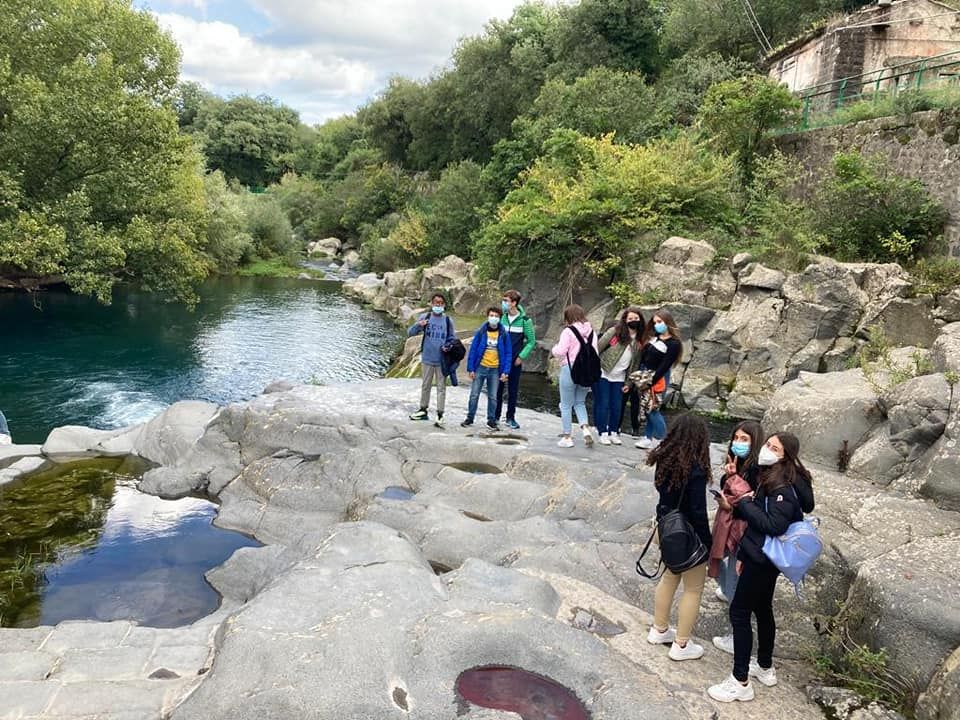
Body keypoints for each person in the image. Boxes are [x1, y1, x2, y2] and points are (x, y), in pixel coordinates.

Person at [707, 432, 815, 703]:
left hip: (762, 559)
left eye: (773, 448)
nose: (766, 449)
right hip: (764, 557)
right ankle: (765, 667)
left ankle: (740, 681)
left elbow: (773, 525)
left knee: (740, 612)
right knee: (762, 608)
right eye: (767, 444)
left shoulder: (781, 488)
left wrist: (743, 503)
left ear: (785, 456)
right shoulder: (773, 476)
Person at [645, 413, 712, 661]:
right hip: (688, 533)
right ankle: (682, 645)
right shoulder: (695, 468)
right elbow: (697, 511)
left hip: (666, 528)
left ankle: (658, 629)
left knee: (669, 577)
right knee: (693, 589)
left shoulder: (664, 458)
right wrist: (708, 542)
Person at [709, 420, 764, 655]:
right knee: (721, 564)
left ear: (754, 443)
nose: (738, 443)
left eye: (745, 439)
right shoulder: (738, 464)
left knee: (732, 574)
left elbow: (749, 505)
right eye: (736, 438)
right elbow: (728, 488)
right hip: (732, 527)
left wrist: (729, 506)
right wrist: (729, 476)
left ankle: (737, 634)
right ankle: (728, 589)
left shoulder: (757, 470)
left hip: (743, 532)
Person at [593, 308, 645, 445]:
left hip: (620, 377)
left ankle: (614, 432)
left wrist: (629, 383)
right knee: (603, 403)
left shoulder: (640, 340)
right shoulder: (614, 332)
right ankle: (602, 432)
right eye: (630, 319)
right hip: (603, 372)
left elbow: (635, 364)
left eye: (636, 318)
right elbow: (598, 348)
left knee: (617, 406)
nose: (633, 321)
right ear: (625, 320)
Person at [635, 309, 683, 450]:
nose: (657, 325)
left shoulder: (674, 343)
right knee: (646, 405)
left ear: (668, 322)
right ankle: (648, 437)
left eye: (660, 322)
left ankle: (666, 440)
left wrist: (651, 381)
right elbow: (644, 356)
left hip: (659, 376)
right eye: (655, 322)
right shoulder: (653, 338)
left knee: (653, 408)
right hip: (645, 372)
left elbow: (665, 365)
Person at [550, 304, 598, 448]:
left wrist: (553, 349)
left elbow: (561, 350)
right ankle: (585, 429)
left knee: (565, 405)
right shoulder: (592, 332)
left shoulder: (568, 331)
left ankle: (567, 436)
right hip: (587, 373)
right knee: (580, 402)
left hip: (569, 371)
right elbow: (595, 351)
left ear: (568, 317)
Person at [408, 292, 457, 428]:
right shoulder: (425, 317)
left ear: (444, 305)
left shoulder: (448, 321)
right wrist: (419, 325)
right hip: (427, 358)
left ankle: (440, 413)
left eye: (441, 303)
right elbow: (410, 333)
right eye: (436, 303)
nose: (438, 306)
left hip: (442, 360)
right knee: (426, 385)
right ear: (431, 303)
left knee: (441, 387)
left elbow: (452, 338)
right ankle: (423, 410)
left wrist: (448, 346)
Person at [462, 307, 511, 431]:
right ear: (488, 316)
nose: (493, 318)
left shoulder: (504, 334)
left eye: (496, 316)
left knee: (493, 397)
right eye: (491, 315)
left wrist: (506, 371)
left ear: (500, 318)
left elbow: (508, 353)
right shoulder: (481, 332)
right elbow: (473, 350)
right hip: (480, 367)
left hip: (495, 370)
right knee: (474, 394)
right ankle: (470, 417)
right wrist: (471, 368)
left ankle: (491, 420)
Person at [496, 290, 536, 430]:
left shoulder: (525, 321)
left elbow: (531, 341)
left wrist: (521, 356)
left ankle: (510, 418)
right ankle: (495, 417)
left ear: (514, 303)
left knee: (513, 390)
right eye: (503, 300)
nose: (504, 303)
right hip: (500, 360)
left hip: (514, 361)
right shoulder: (502, 318)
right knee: (498, 389)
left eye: (506, 301)